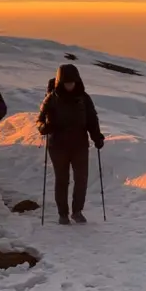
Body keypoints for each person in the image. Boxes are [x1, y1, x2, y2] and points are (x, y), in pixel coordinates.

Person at [36, 63, 105, 225]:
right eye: (66, 83)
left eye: (72, 82)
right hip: (57, 145)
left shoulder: (84, 98)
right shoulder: (51, 99)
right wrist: (45, 127)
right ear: (60, 82)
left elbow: (92, 120)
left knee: (81, 179)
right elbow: (39, 121)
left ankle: (77, 211)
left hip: (79, 145)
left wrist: (97, 137)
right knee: (62, 179)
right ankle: (63, 214)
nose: (69, 85)